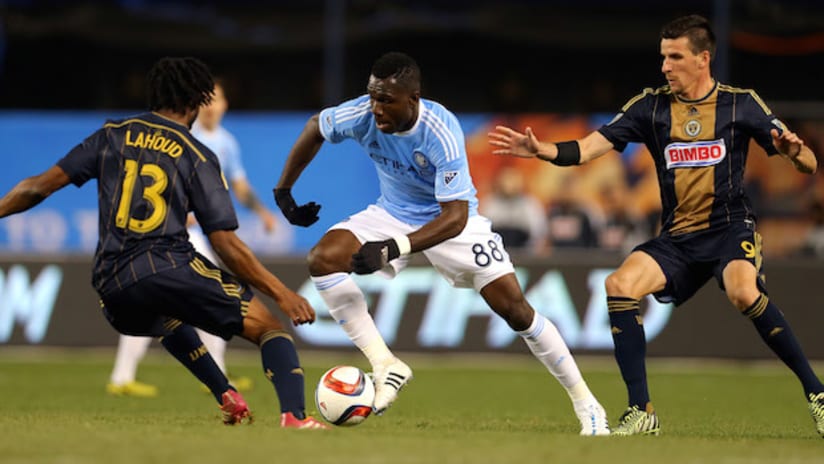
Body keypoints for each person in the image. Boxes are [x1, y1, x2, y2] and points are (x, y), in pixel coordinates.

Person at [489, 14, 824, 437]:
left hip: (729, 230)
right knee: (618, 285)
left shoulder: (742, 103)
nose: (665, 66)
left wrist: (795, 153)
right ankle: (641, 412)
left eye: (675, 56)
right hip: (678, 238)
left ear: (703, 59)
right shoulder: (651, 106)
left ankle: (817, 393)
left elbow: (809, 164)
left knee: (743, 292)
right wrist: (542, 150)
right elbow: (593, 147)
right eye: (663, 57)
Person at [274, 51, 610, 435]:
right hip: (393, 211)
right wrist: (284, 191)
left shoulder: (440, 130)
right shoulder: (362, 114)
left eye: (386, 100)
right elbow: (316, 126)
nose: (376, 108)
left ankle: (588, 405)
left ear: (413, 99)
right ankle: (386, 365)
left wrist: (391, 248)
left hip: (451, 220)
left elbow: (455, 217)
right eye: (372, 96)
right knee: (323, 259)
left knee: (517, 311)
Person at [0, 57, 326, 429]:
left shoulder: (110, 135)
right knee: (269, 329)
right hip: (167, 262)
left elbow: (36, 187)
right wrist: (282, 293)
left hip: (109, 284)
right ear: (196, 101)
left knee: (167, 320)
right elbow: (225, 243)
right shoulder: (198, 154)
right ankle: (295, 417)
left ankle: (225, 394)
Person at [107, 79, 278, 396]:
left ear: (226, 104)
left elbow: (237, 184)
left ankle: (209, 373)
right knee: (209, 295)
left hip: (197, 233)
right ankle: (129, 376)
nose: (212, 105)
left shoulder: (226, 142)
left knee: (186, 299)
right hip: (172, 233)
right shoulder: (180, 135)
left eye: (218, 98)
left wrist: (263, 212)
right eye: (206, 99)